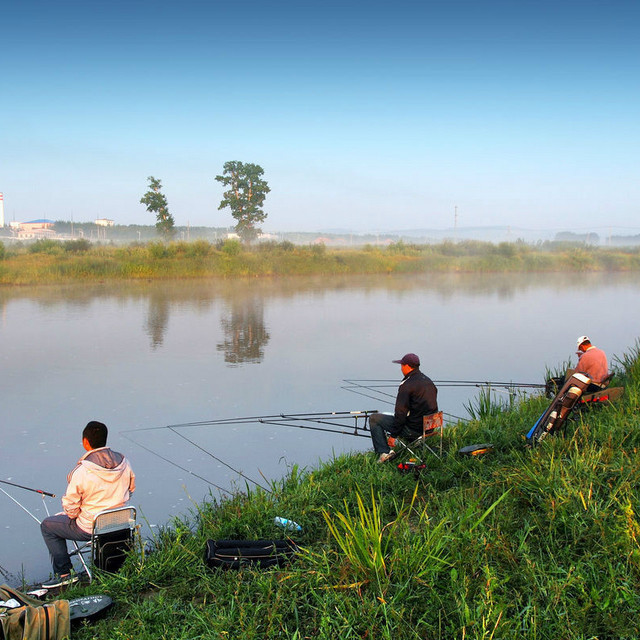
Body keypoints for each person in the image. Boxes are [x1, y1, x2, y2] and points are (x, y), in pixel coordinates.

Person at [40, 421, 135, 588]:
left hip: (91, 527)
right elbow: (131, 490)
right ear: (105, 439)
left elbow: (70, 507)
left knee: (48, 526)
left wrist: (73, 515)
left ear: (85, 442)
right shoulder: (124, 463)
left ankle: (64, 574)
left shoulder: (82, 471)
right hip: (121, 524)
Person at [369, 353, 438, 463]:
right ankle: (415, 442)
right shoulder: (428, 381)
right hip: (429, 427)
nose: (401, 368)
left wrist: (393, 436)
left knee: (374, 418)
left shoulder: (406, 385)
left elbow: (401, 413)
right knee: (405, 416)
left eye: (402, 365)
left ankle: (385, 452)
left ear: (407, 366)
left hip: (414, 430)